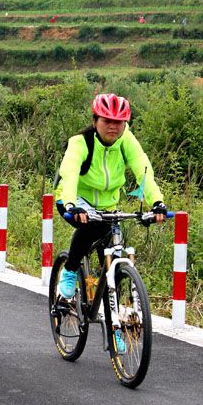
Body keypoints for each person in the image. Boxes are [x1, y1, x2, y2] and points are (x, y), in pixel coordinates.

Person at [54, 93, 167, 353]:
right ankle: (70, 270)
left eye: (119, 121)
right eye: (107, 121)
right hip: (74, 199)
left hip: (107, 205)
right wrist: (70, 204)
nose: (113, 126)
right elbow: (69, 173)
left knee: (112, 265)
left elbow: (143, 170)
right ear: (96, 120)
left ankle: (114, 327)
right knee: (89, 226)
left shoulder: (126, 141)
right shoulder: (80, 142)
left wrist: (157, 202)